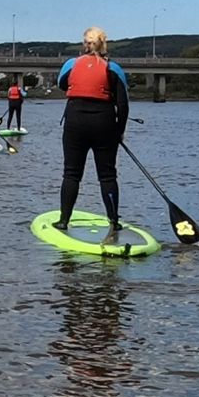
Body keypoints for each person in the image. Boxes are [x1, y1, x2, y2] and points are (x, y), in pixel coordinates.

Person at [56, 26, 130, 243]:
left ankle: (63, 220)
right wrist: (119, 131)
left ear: (84, 44)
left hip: (75, 122)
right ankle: (114, 220)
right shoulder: (114, 68)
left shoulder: (71, 64)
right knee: (107, 175)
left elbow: (62, 84)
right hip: (104, 124)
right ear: (104, 44)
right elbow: (123, 106)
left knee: (71, 173)